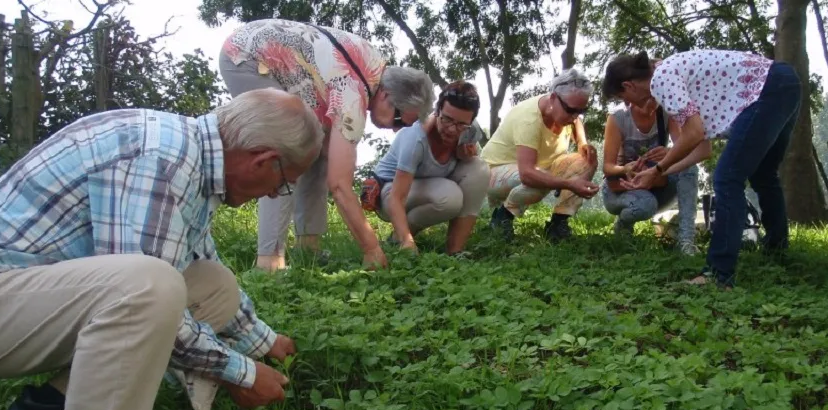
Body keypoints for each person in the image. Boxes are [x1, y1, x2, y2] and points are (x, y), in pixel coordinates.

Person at [0, 88, 323, 410]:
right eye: (284, 182)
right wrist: (241, 372)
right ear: (262, 160)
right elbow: (144, 299)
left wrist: (264, 341)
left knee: (211, 284)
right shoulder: (162, 158)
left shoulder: (188, 156)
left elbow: (200, 264)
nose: (276, 194)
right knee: (151, 288)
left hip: (23, 300)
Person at [219, 18, 436, 271]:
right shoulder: (354, 92)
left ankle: (308, 247)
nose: (396, 130)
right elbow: (340, 184)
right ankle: (269, 260)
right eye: (399, 120)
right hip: (247, 58)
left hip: (269, 57)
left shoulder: (376, 69)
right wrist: (371, 248)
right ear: (387, 96)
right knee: (283, 151)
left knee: (318, 151)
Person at [602, 50, 800, 287]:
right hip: (783, 81)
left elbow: (693, 134)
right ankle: (776, 250)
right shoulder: (670, 71)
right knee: (763, 173)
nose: (626, 104)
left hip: (764, 90)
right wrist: (661, 170)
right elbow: (702, 148)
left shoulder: (661, 79)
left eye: (622, 97)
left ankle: (718, 274)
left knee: (727, 179)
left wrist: (656, 170)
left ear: (629, 85)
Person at [480, 69, 600, 242]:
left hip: (535, 169)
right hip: (493, 173)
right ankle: (502, 218)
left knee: (586, 161)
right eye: (571, 110)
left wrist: (582, 143)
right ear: (552, 98)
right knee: (540, 180)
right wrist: (569, 184)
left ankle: (558, 224)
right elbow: (528, 174)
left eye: (581, 111)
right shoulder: (529, 119)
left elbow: (576, 119)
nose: (575, 117)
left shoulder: (565, 110)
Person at [373, 81, 490, 255]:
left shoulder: (471, 130)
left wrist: (463, 153)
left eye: (460, 125)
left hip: (431, 186)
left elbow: (466, 158)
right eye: (447, 119)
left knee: (479, 169)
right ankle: (401, 237)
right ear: (437, 111)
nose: (451, 129)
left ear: (470, 122)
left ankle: (455, 251)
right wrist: (407, 241)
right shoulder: (416, 137)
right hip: (390, 193)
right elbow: (397, 198)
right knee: (449, 196)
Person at [601, 96, 710, 254]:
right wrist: (625, 169)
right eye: (644, 98)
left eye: (654, 98)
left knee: (690, 167)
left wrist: (670, 152)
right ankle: (623, 225)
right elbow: (608, 167)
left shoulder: (667, 113)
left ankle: (686, 240)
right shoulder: (618, 118)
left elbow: (685, 149)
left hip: (655, 183)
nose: (649, 105)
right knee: (646, 205)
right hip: (621, 188)